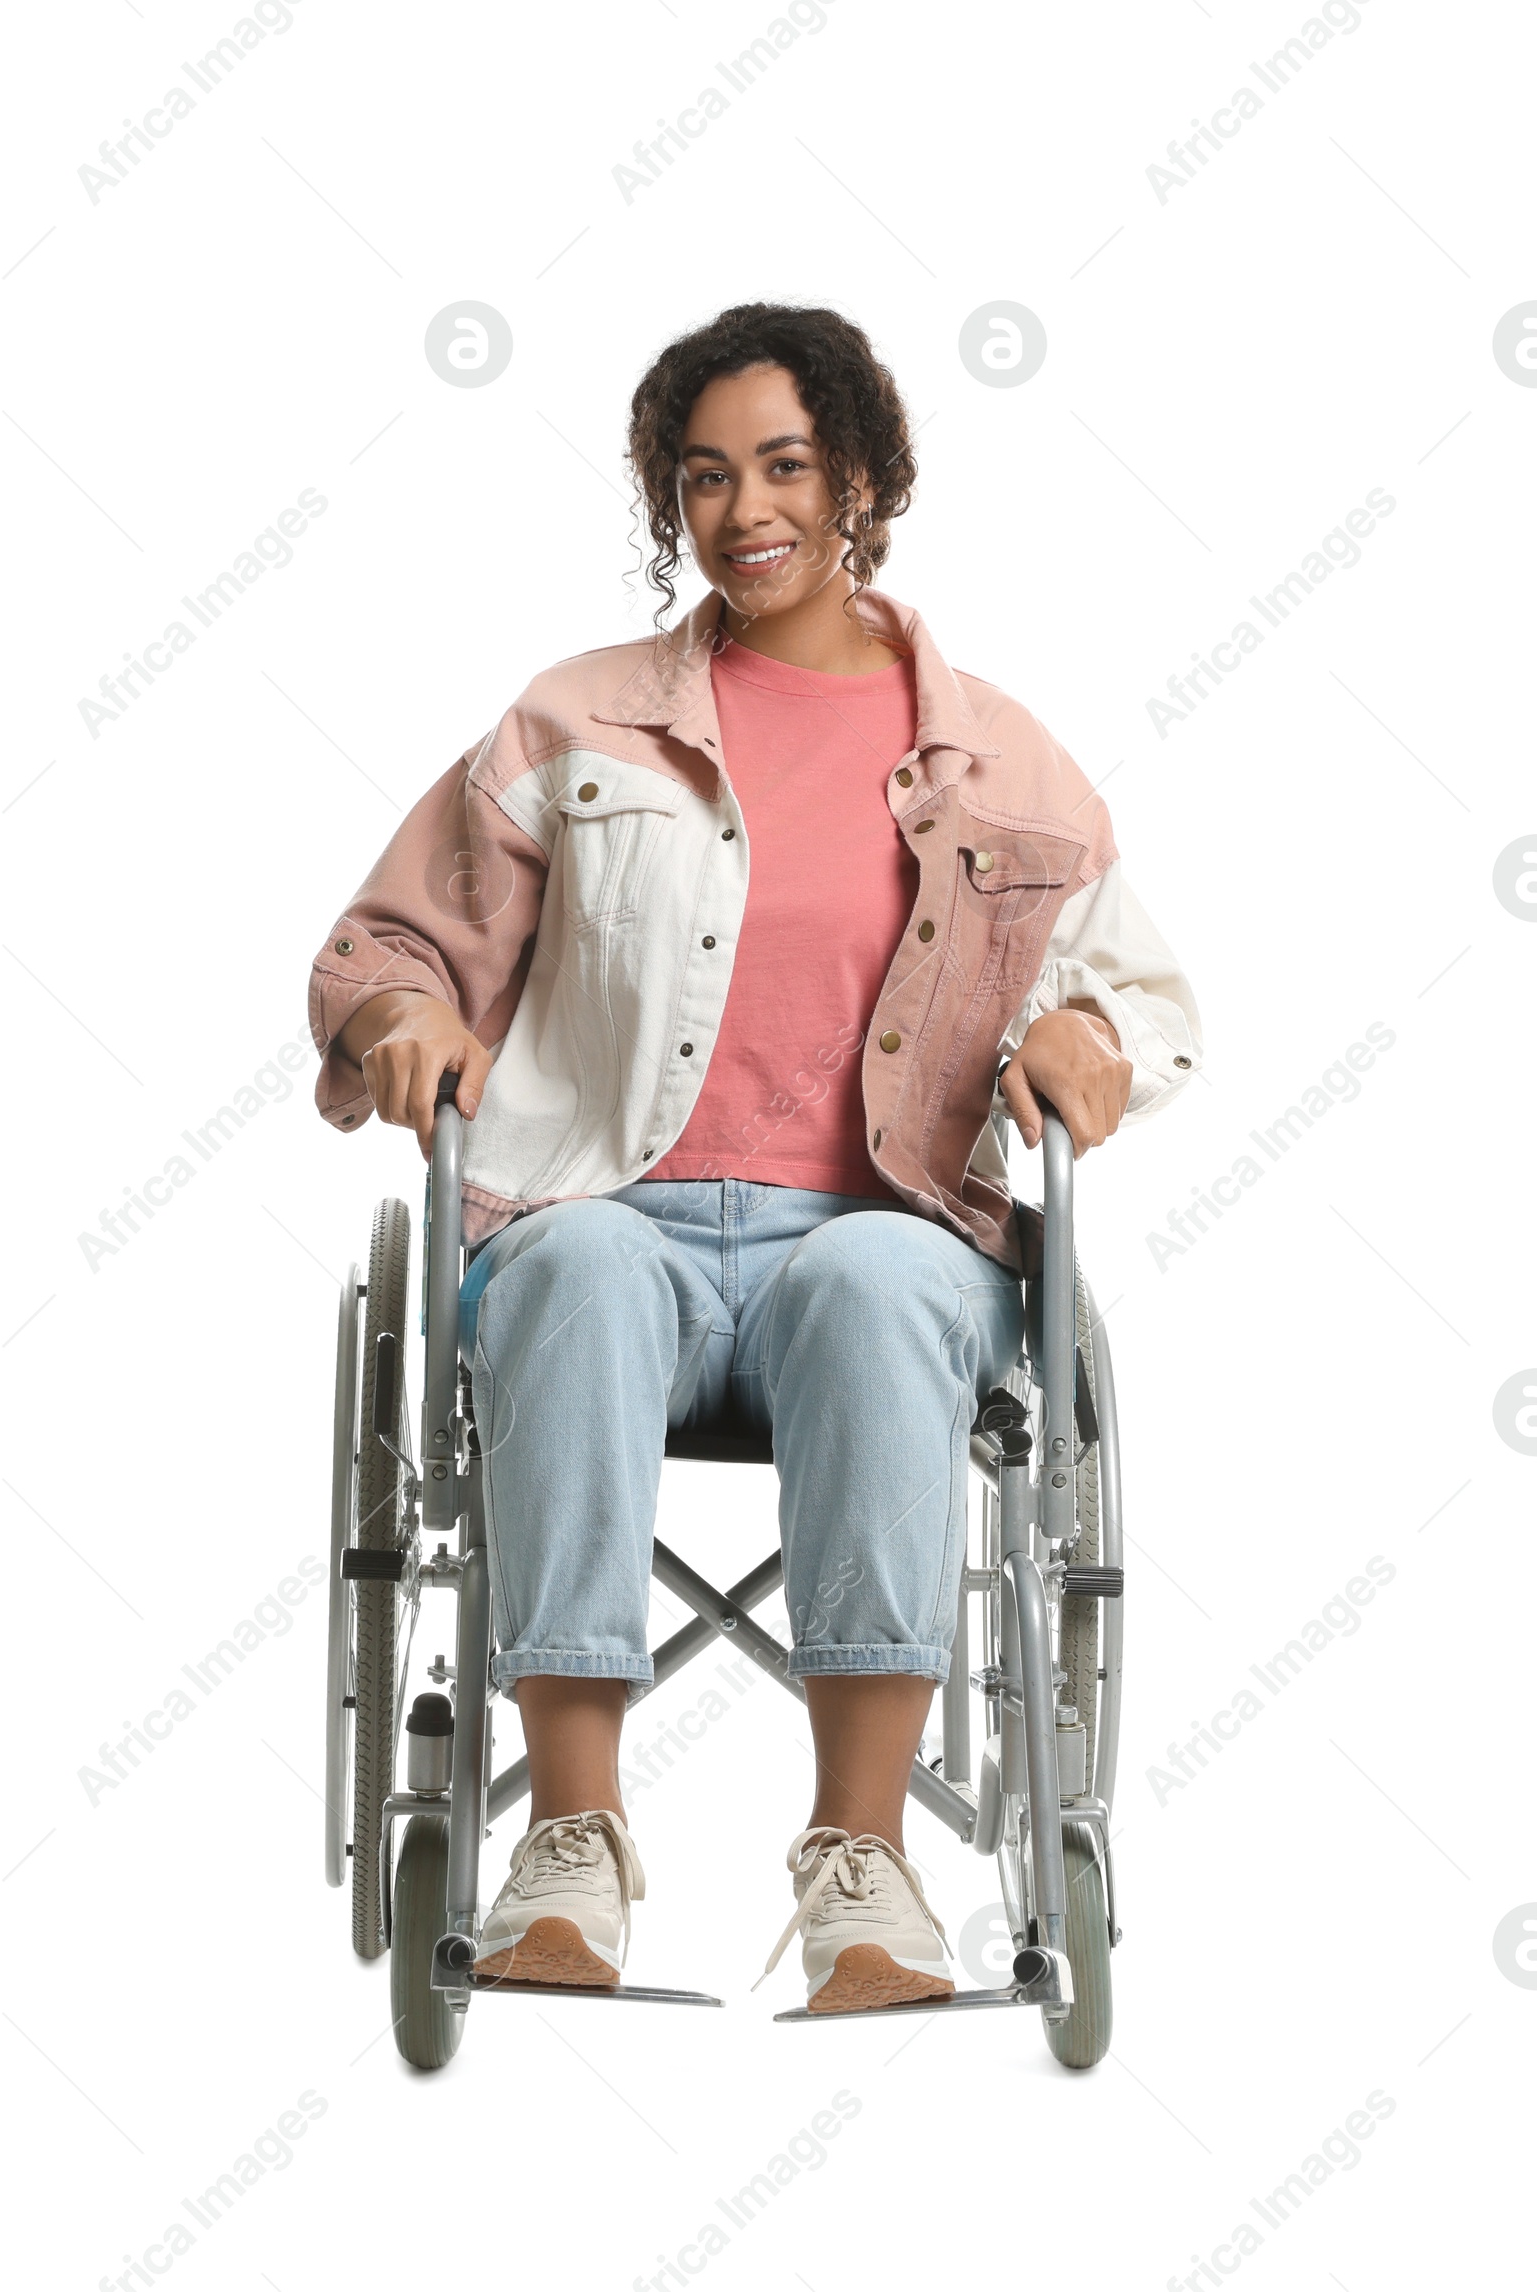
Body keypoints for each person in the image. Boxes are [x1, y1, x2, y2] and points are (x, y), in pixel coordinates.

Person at [308, 302, 1201, 2013]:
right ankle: (568, 1846)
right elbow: (383, 949)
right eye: (703, 477)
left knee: (877, 1275)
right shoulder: (576, 725)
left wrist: (1092, 1038)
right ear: (672, 504)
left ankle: (863, 1865)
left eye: (785, 465)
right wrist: (398, 1025)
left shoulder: (995, 758)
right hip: (608, 1213)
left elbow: (1146, 992)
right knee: (566, 1258)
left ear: (861, 477)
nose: (745, 509)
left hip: (875, 1231)